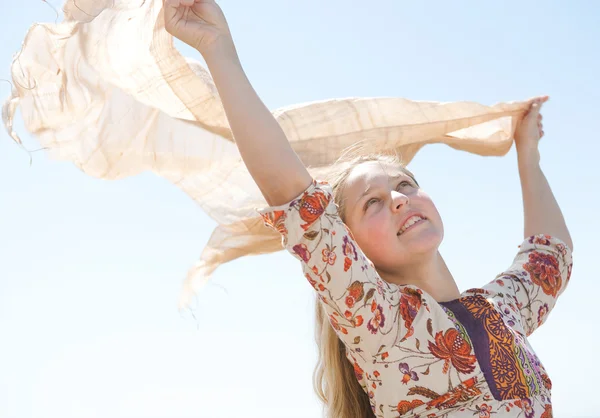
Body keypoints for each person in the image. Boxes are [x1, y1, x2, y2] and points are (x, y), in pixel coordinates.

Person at [163, 1, 574, 417]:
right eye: (372, 202)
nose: (399, 199)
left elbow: (549, 257)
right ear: (349, 247)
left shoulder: (501, 307)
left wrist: (528, 155)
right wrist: (217, 47)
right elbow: (291, 192)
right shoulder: (380, 322)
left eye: (405, 185)